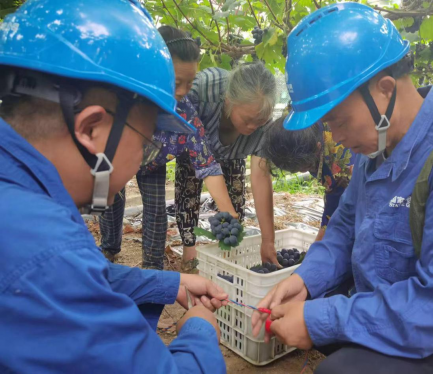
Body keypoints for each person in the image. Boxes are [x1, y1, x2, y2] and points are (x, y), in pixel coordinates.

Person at [251, 3, 433, 374]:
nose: (335, 137)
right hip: (398, 316)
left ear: (384, 90)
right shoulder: (374, 155)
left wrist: (325, 319)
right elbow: (342, 231)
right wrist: (305, 280)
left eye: (338, 120)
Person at [0, 1, 228, 372]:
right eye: (145, 142)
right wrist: (199, 331)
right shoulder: (46, 249)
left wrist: (169, 284)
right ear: (92, 129)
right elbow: (59, 270)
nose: (142, 160)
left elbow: (84, 280)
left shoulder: (23, 208)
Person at [99, 25, 238, 273]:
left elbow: (206, 164)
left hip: (152, 164)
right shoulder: (122, 98)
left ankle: (152, 268)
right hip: (115, 160)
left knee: (155, 210)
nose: (182, 92)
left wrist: (227, 210)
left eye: (190, 82)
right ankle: (108, 249)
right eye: (175, 83)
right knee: (109, 202)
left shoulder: (185, 115)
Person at [185, 63, 278, 264]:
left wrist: (268, 241)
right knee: (188, 189)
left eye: (260, 122)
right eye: (247, 120)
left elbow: (261, 175)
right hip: (194, 143)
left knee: (236, 198)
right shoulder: (202, 91)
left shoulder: (263, 125)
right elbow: (201, 159)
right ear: (228, 101)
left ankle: (229, 251)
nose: (253, 127)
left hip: (233, 152)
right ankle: (188, 250)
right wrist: (224, 206)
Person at [263, 117, 355, 241]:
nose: (304, 172)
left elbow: (336, 203)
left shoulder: (340, 159)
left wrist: (319, 242)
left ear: (317, 148)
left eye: (305, 167)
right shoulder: (292, 123)